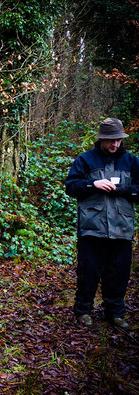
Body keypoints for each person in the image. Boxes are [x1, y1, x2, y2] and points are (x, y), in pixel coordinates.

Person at [65, 117, 138, 329]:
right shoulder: (85, 160)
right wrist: (91, 184)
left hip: (122, 229)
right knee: (88, 272)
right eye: (110, 140)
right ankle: (83, 311)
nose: (114, 144)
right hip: (91, 229)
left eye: (118, 140)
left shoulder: (132, 162)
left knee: (118, 274)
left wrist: (126, 189)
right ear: (101, 139)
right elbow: (71, 187)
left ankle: (115, 313)